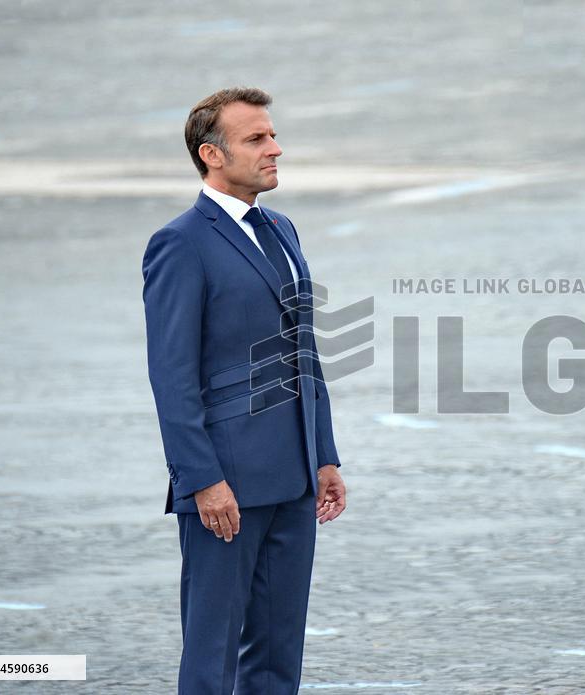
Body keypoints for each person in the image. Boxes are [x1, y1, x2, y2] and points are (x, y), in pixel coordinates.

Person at [141, 86, 346, 695]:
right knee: (212, 659)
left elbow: (302, 352)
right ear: (211, 154)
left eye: (272, 135)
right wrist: (201, 480)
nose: (275, 148)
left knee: (278, 656)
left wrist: (325, 455)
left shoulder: (282, 229)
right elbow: (171, 376)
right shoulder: (180, 243)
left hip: (293, 477)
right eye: (256, 139)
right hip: (225, 484)